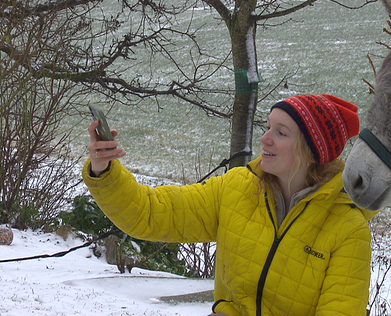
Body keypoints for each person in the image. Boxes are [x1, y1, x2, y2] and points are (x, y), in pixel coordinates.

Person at [82, 94, 376, 316]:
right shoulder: (237, 189)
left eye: (281, 132)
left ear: (312, 151)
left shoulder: (348, 230)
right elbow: (149, 213)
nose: (265, 139)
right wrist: (103, 170)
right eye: (268, 127)